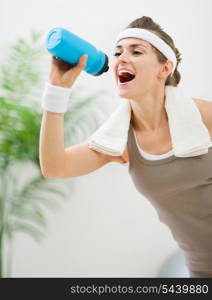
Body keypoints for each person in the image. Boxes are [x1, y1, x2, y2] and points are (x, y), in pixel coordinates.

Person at [39, 16, 212, 277]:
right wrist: (56, 90)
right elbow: (55, 166)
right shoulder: (119, 141)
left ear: (164, 69)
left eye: (136, 51)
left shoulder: (203, 116)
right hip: (202, 270)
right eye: (117, 52)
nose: (121, 58)